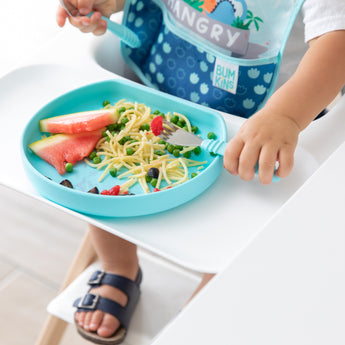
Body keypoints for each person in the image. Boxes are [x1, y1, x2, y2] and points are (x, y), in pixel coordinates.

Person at [56, 0, 345, 344]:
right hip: (155, 82)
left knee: (245, 223)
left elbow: (337, 40)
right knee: (107, 167)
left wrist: (285, 117)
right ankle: (117, 264)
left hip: (262, 125)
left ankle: (210, 299)